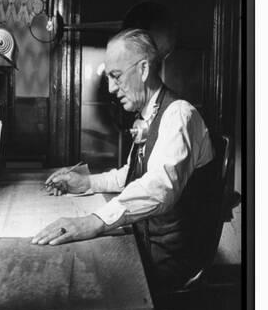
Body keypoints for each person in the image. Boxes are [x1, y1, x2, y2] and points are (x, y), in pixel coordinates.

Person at [31, 28, 215, 293]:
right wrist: (85, 183)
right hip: (147, 243)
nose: (110, 88)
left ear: (143, 69)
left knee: (81, 284)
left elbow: (159, 188)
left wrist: (94, 221)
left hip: (170, 259)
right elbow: (130, 175)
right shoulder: (148, 115)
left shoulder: (179, 116)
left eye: (116, 76)